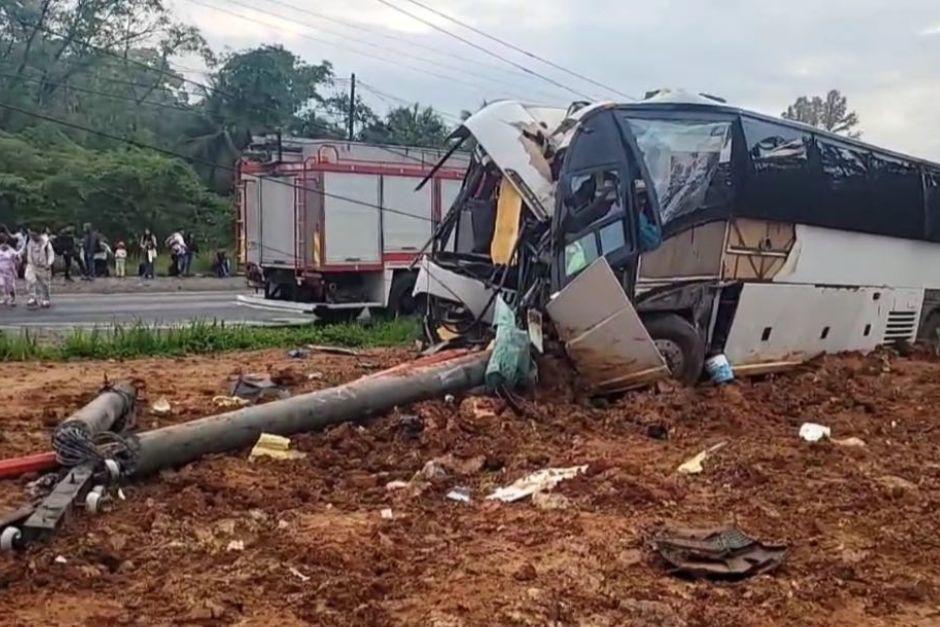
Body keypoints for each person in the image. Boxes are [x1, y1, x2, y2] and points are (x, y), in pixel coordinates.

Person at [25, 229, 55, 308]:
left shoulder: (46, 242)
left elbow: (51, 253)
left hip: (43, 266)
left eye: (34, 235)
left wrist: (49, 264)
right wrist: (30, 262)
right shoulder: (30, 242)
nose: (33, 237)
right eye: (31, 235)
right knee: (30, 280)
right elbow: (29, 253)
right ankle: (32, 298)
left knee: (44, 284)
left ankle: (46, 300)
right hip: (32, 265)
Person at [0, 234, 19, 307]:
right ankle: (5, 297)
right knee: (1, 284)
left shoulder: (11, 250)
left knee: (10, 286)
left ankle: (12, 298)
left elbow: (17, 259)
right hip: (1, 272)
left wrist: (16, 270)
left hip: (9, 271)